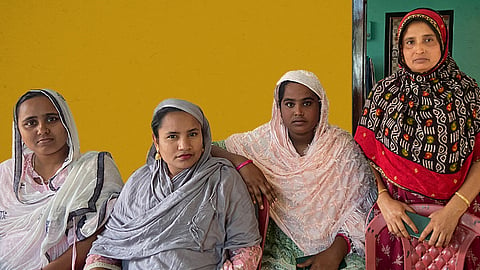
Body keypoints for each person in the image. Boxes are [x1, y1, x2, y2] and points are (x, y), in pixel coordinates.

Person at [211, 70, 376, 269]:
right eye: (289, 104)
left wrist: (336, 251)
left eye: (307, 103)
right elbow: (207, 147)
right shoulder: (260, 144)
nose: (298, 112)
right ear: (278, 107)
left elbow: (361, 208)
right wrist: (242, 163)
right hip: (276, 250)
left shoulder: (342, 147)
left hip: (339, 248)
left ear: (321, 105)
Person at [355, 8, 480, 269]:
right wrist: (384, 201)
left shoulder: (468, 93)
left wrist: (454, 211)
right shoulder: (384, 94)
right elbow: (363, 156)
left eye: (428, 40)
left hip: (458, 221)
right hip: (396, 223)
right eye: (410, 42)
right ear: (400, 48)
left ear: (442, 43)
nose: (419, 49)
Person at [85, 98, 262, 269]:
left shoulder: (223, 180)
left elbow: (246, 248)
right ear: (156, 141)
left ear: (204, 137)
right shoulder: (138, 182)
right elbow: (109, 245)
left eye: (193, 134)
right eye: (172, 137)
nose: (184, 145)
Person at [0, 89, 124, 270]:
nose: (42, 129)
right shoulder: (5, 174)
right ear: (18, 129)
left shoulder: (93, 168)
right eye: (31, 123)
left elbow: (100, 231)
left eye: (52, 119)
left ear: (66, 121)